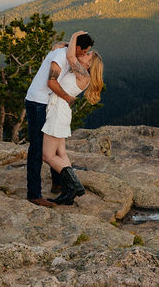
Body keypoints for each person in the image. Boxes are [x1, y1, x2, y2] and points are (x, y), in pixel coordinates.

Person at [24, 30, 94, 207]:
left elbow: (66, 51)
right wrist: (68, 98)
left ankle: (58, 182)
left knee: (53, 147)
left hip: (47, 103)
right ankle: (34, 194)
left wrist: (65, 42)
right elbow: (51, 82)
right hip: (38, 102)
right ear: (77, 48)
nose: (85, 55)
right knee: (38, 148)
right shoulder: (61, 57)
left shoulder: (68, 54)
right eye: (85, 51)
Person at [42, 31, 104, 205]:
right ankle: (70, 189)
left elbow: (70, 55)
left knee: (47, 155)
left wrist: (75, 35)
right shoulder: (80, 73)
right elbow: (58, 51)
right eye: (84, 52)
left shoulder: (83, 74)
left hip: (58, 112)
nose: (84, 55)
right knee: (60, 153)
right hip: (60, 111)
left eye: (87, 55)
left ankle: (74, 185)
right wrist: (62, 44)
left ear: (90, 63)